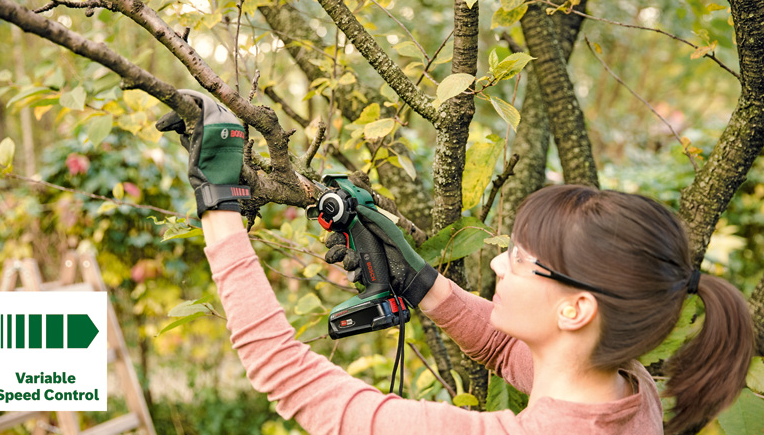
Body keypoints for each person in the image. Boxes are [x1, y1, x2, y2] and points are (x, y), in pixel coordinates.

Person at [159, 91, 754, 435]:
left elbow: (287, 376)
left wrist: (220, 207)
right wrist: (419, 281)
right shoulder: (625, 385)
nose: (498, 266)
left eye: (522, 261)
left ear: (576, 308)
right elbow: (506, 351)